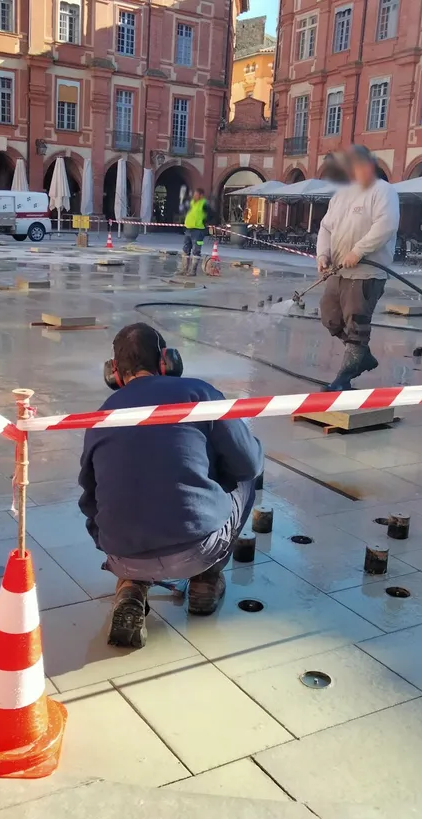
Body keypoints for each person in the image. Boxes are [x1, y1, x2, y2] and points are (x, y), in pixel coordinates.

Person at [78, 323, 264, 648]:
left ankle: (131, 588)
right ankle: (206, 579)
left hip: (122, 553)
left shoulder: (100, 416)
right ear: (167, 362)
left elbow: (90, 499)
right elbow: (247, 464)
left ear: (115, 374)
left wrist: (108, 542)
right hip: (198, 547)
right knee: (249, 469)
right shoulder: (199, 394)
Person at [316, 145, 400, 391]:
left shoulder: (383, 191)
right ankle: (361, 354)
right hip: (338, 271)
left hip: (366, 272)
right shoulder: (341, 195)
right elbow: (326, 227)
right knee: (330, 317)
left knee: (357, 322)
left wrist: (358, 251)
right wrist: (323, 254)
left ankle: (344, 378)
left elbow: (386, 225)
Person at [181, 188, 212, 276]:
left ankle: (193, 271)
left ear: (201, 195)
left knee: (196, 250)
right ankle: (184, 269)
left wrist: (205, 222)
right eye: (194, 194)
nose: (194, 196)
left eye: (196, 194)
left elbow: (212, 214)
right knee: (185, 249)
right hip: (189, 229)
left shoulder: (204, 204)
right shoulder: (192, 203)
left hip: (199, 231)